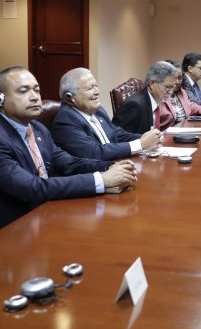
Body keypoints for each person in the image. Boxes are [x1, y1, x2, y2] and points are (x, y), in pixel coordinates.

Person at [0, 66, 137, 228]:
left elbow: (67, 162)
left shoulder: (38, 129)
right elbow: (32, 188)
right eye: (23, 91)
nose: (34, 97)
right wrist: (101, 179)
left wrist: (110, 166)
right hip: (17, 225)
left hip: (49, 210)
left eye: (37, 90)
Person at [51, 68, 163, 161]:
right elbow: (95, 152)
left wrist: (149, 138)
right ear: (70, 97)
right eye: (90, 88)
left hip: (118, 165)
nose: (97, 92)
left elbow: (116, 134)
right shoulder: (65, 122)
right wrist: (140, 144)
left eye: (96, 86)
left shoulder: (97, 110)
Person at [112, 61, 177, 134]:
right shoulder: (135, 105)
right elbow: (117, 136)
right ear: (152, 84)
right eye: (167, 87)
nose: (171, 92)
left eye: (172, 87)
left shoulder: (155, 100)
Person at [159, 60, 201, 130]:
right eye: (174, 78)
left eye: (179, 78)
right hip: (166, 134)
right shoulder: (159, 95)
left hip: (184, 130)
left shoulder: (181, 92)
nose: (177, 82)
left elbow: (189, 105)